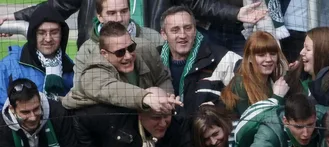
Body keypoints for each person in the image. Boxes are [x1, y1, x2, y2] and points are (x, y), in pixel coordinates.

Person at [4, 0, 266, 50]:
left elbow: (196, 3)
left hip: (152, 53)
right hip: (100, 51)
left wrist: (235, 13)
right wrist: (17, 17)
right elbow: (59, 5)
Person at [62, 21, 177, 113]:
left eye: (131, 48)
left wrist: (167, 99)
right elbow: (112, 89)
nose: (128, 56)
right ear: (104, 54)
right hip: (87, 120)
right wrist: (145, 97)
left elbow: (162, 77)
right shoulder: (93, 70)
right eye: (120, 52)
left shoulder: (146, 49)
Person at [159, 6, 242, 113]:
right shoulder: (154, 60)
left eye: (188, 28)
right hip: (166, 127)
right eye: (175, 30)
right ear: (164, 34)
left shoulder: (222, 58)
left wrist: (217, 107)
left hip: (208, 126)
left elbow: (248, 90)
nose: (183, 35)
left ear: (195, 29)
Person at [0, 3, 74, 105]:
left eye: (54, 32)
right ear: (33, 35)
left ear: (62, 35)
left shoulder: (70, 67)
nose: (48, 39)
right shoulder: (8, 65)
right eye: (41, 33)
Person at [221, 31, 289, 117]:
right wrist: (277, 97)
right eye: (261, 55)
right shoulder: (240, 84)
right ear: (249, 58)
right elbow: (253, 124)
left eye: (273, 54)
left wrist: (294, 73)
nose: (269, 59)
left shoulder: (272, 81)